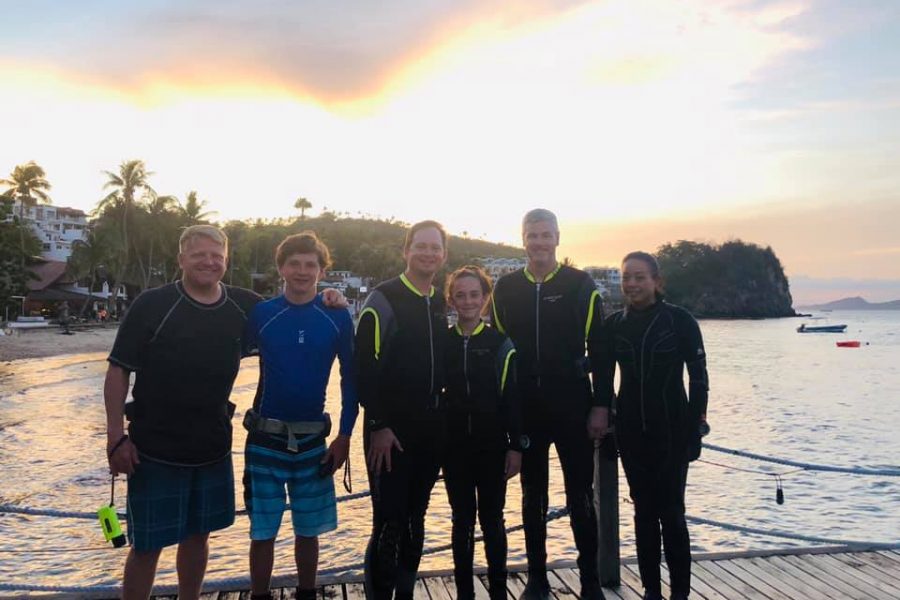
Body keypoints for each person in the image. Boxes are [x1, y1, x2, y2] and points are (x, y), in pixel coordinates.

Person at [105, 225, 262, 600]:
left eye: (217, 256)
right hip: (154, 449)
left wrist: (332, 299)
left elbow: (294, 311)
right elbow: (118, 371)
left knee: (198, 537)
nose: (209, 262)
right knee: (147, 545)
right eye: (199, 255)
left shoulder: (245, 306)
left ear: (226, 261)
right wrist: (115, 438)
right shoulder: (153, 304)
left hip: (212, 446)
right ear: (181, 260)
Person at [491, 209, 607, 600]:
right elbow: (499, 354)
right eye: (532, 235)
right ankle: (537, 578)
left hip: (572, 402)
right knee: (532, 495)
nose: (539, 242)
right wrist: (502, 413)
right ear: (523, 239)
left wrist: (601, 405)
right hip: (527, 407)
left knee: (581, 495)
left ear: (557, 237)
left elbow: (601, 350)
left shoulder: (580, 285)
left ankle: (590, 580)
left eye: (545, 235)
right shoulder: (506, 289)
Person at [242, 232, 358, 600]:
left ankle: (307, 593)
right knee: (262, 531)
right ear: (281, 268)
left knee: (308, 530)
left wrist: (344, 436)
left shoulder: (336, 316)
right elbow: (222, 361)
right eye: (294, 264)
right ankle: (259, 595)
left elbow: (351, 379)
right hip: (264, 438)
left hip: (313, 441)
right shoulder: (262, 313)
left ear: (322, 271)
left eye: (311, 265)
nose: (302, 271)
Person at [592, 251, 709, 600]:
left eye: (639, 277)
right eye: (626, 277)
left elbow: (699, 378)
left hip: (672, 429)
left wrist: (696, 426)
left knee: (672, 513)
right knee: (643, 512)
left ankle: (680, 593)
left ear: (656, 282)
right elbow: (603, 380)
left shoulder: (679, 321)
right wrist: (607, 423)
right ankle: (651, 591)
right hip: (631, 431)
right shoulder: (614, 325)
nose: (632, 284)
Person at [356, 220, 449, 600]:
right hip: (389, 430)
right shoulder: (384, 299)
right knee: (389, 522)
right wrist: (379, 424)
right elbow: (363, 367)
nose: (428, 253)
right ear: (406, 250)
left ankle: (406, 593)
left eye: (435, 247)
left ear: (443, 254)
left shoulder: (441, 301)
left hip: (430, 427)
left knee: (415, 518)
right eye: (420, 246)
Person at [443, 265, 524, 600]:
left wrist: (516, 446)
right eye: (460, 295)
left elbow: (512, 399)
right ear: (451, 300)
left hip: (492, 446)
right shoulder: (443, 342)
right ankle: (465, 592)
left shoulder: (500, 344)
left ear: (485, 298)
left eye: (474, 295)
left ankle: (499, 591)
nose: (467, 301)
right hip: (454, 447)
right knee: (462, 520)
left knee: (492, 519)